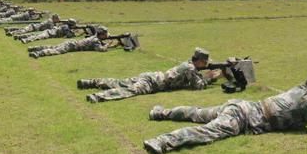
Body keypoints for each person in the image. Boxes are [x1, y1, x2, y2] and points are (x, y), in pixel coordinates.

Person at [143, 68, 307, 154]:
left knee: (197, 113)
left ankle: (161, 112)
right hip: (242, 118)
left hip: (241, 106)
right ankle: (161, 141)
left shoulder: (299, 91)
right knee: (207, 132)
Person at [78, 47, 221, 103]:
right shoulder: (190, 69)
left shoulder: (188, 64)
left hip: (152, 76)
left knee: (119, 82)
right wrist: (211, 77)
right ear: (201, 61)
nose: (207, 64)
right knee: (130, 90)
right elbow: (198, 86)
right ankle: (97, 96)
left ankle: (88, 82)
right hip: (152, 83)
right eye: (206, 62)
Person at [28, 26, 110, 58]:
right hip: (71, 46)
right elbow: (101, 50)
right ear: (102, 34)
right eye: (106, 33)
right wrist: (108, 45)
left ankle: (34, 48)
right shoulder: (95, 40)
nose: (107, 35)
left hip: (71, 43)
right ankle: (38, 53)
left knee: (54, 47)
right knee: (56, 51)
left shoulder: (94, 38)